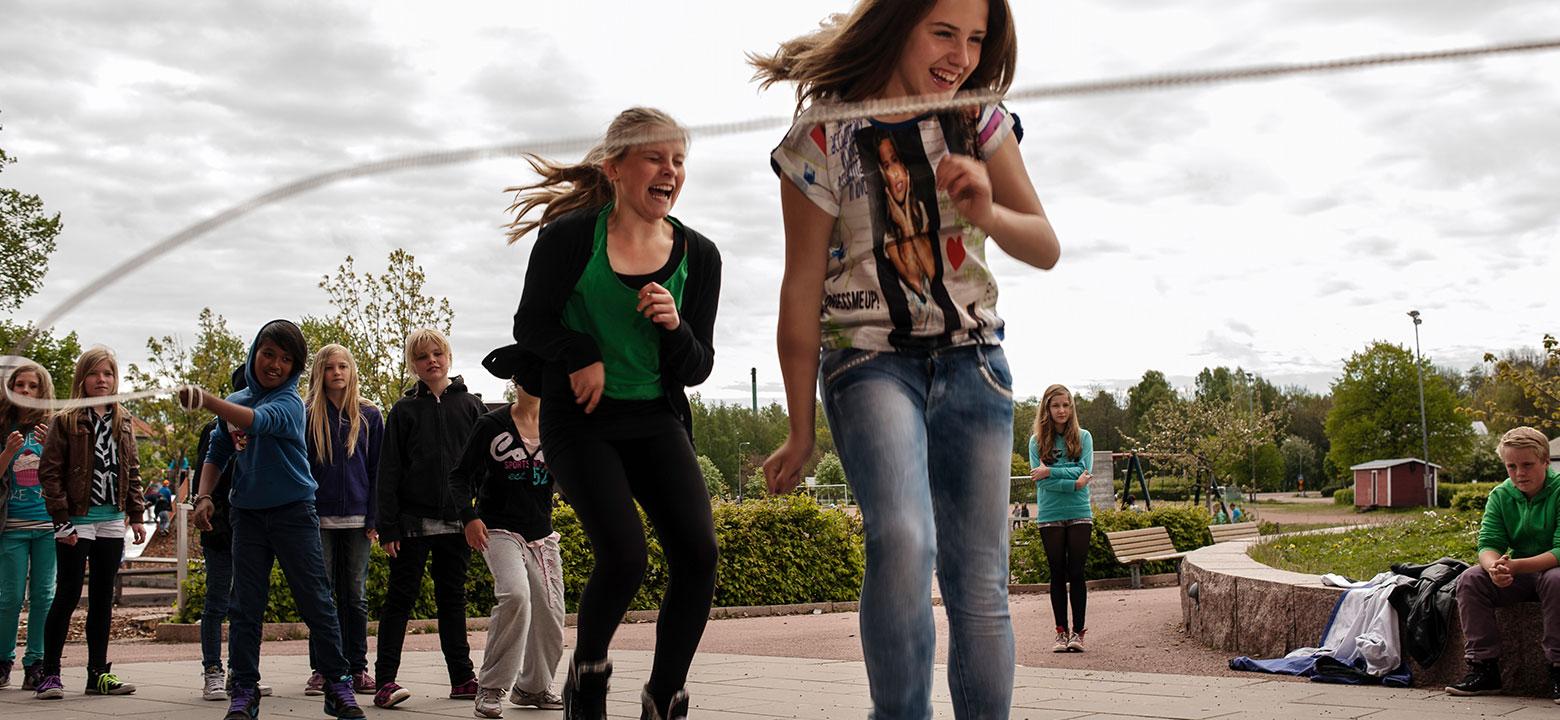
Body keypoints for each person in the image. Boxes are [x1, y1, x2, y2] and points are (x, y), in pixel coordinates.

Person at [754, 0, 1057, 716]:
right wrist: (802, 430)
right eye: (944, 33)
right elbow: (800, 291)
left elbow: (1043, 243)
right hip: (868, 363)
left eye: (977, 39)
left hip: (974, 362)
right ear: (898, 23)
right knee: (901, 538)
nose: (962, 56)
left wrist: (988, 211)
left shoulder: (979, 118)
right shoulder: (822, 133)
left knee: (979, 581)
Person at [507, 105, 722, 720]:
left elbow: (698, 365)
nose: (670, 171)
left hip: (655, 418)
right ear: (616, 167)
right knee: (625, 554)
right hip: (580, 420)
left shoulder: (698, 256)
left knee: (698, 552)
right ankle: (588, 672)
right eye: (656, 157)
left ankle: (665, 692)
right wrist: (580, 353)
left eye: (678, 160)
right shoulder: (572, 238)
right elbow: (531, 324)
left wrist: (675, 326)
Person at [181, 320, 364, 720]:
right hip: (247, 516)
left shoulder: (289, 403)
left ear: (296, 367)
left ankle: (338, 684)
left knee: (316, 601)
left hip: (294, 512)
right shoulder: (237, 399)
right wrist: (205, 496)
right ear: (254, 353)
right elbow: (218, 451)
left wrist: (206, 400)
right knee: (244, 606)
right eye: (269, 354)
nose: (275, 364)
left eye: (286, 359)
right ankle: (244, 689)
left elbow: (254, 422)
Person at [372, 328, 485, 708]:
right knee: (399, 601)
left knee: (452, 599)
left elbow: (485, 469)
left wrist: (481, 515)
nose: (431, 361)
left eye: (437, 353)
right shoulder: (403, 411)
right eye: (422, 357)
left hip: (459, 523)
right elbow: (388, 471)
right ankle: (385, 679)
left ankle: (463, 677)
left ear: (448, 356)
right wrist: (388, 525)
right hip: (412, 524)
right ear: (413, 365)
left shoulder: (471, 406)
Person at [451, 355, 566, 718]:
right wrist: (468, 517)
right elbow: (459, 477)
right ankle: (490, 687)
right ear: (517, 381)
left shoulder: (556, 425)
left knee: (550, 612)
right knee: (516, 596)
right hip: (498, 529)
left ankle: (532, 687)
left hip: (542, 534)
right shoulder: (491, 425)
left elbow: (575, 475)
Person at [34, 347, 147, 699]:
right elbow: (49, 473)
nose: (103, 380)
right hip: (76, 521)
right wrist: (62, 521)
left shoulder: (123, 419)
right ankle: (49, 674)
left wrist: (136, 513)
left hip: (111, 521)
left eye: (109, 374)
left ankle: (98, 672)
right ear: (82, 378)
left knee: (102, 598)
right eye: (96, 374)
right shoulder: (66, 420)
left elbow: (132, 470)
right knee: (68, 594)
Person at [1447, 426, 1560, 700]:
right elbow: (1488, 543)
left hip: (1552, 569)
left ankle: (1558, 667)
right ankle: (1484, 668)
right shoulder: (1501, 495)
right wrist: (1494, 567)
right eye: (1511, 466)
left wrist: (1517, 566)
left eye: (1528, 465)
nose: (1520, 473)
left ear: (1546, 461)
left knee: (1556, 579)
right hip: (1519, 574)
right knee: (1471, 579)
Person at [302, 344, 382, 697]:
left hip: (359, 518)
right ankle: (322, 668)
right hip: (318, 518)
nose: (337, 372)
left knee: (355, 596)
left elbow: (380, 469)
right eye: (330, 367)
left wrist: (376, 516)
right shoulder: (305, 414)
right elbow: (299, 469)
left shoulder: (369, 414)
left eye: (343, 366)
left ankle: (357, 668)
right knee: (321, 596)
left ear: (352, 371)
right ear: (320, 372)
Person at [190, 367, 273, 701]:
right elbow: (205, 477)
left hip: (255, 528)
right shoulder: (215, 430)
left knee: (249, 603)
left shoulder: (269, 431)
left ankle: (242, 673)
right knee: (217, 601)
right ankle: (213, 670)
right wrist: (204, 506)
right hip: (222, 528)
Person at [0, 359, 54, 692]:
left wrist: (50, 449)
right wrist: (7, 452)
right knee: (9, 597)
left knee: (44, 596)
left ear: (42, 391)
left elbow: (65, 474)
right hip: (12, 527)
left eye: (33, 386)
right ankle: (3, 659)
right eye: (20, 385)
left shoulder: (52, 426)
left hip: (48, 526)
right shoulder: (3, 425)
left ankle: (36, 662)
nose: (26, 391)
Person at [1030, 384, 1094, 653]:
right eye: (1056, 405)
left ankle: (1078, 633)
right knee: (1057, 573)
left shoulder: (1083, 437)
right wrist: (1071, 481)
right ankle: (1060, 632)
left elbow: (1085, 470)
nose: (1062, 410)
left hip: (1079, 512)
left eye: (1066, 405)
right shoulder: (1036, 442)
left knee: (1076, 572)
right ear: (1047, 407)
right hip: (1050, 513)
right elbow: (1040, 482)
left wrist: (1051, 472)